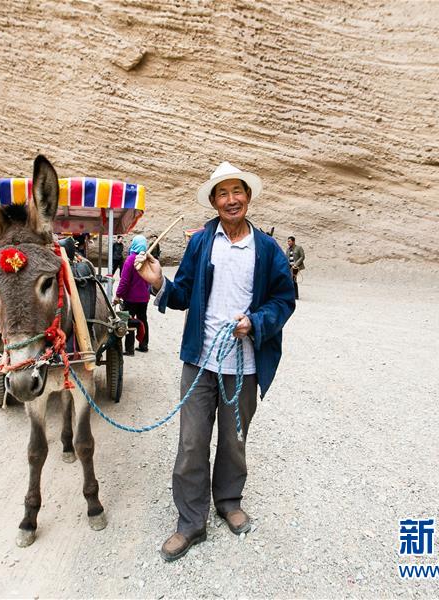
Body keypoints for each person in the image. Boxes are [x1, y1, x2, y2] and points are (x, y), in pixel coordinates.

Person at [135, 161, 295, 562]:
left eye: (237, 191)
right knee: (191, 442)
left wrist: (255, 322)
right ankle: (191, 522)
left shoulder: (267, 248)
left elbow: (283, 299)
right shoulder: (201, 242)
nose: (231, 200)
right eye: (222, 194)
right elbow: (183, 293)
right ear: (213, 201)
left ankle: (228, 500)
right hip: (201, 361)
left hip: (244, 364)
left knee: (234, 440)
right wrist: (159, 282)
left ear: (248, 197)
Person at [114, 235, 150, 355]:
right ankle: (144, 345)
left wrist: (118, 295)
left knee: (129, 320)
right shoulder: (147, 259)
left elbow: (124, 281)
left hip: (131, 298)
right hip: (144, 297)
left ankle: (129, 349)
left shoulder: (131, 260)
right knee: (143, 319)